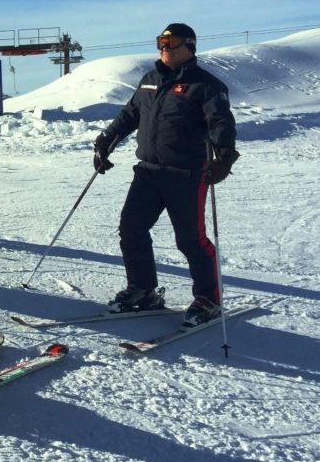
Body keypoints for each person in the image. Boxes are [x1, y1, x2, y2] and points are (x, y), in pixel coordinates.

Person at [93, 23, 239, 327]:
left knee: (190, 240)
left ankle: (208, 298)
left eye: (170, 42)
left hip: (186, 174)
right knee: (131, 229)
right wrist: (106, 140)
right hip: (147, 171)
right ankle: (143, 290)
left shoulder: (206, 85)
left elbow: (221, 122)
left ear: (189, 46)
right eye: (160, 41)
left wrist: (224, 156)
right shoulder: (150, 80)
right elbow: (130, 115)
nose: (164, 47)